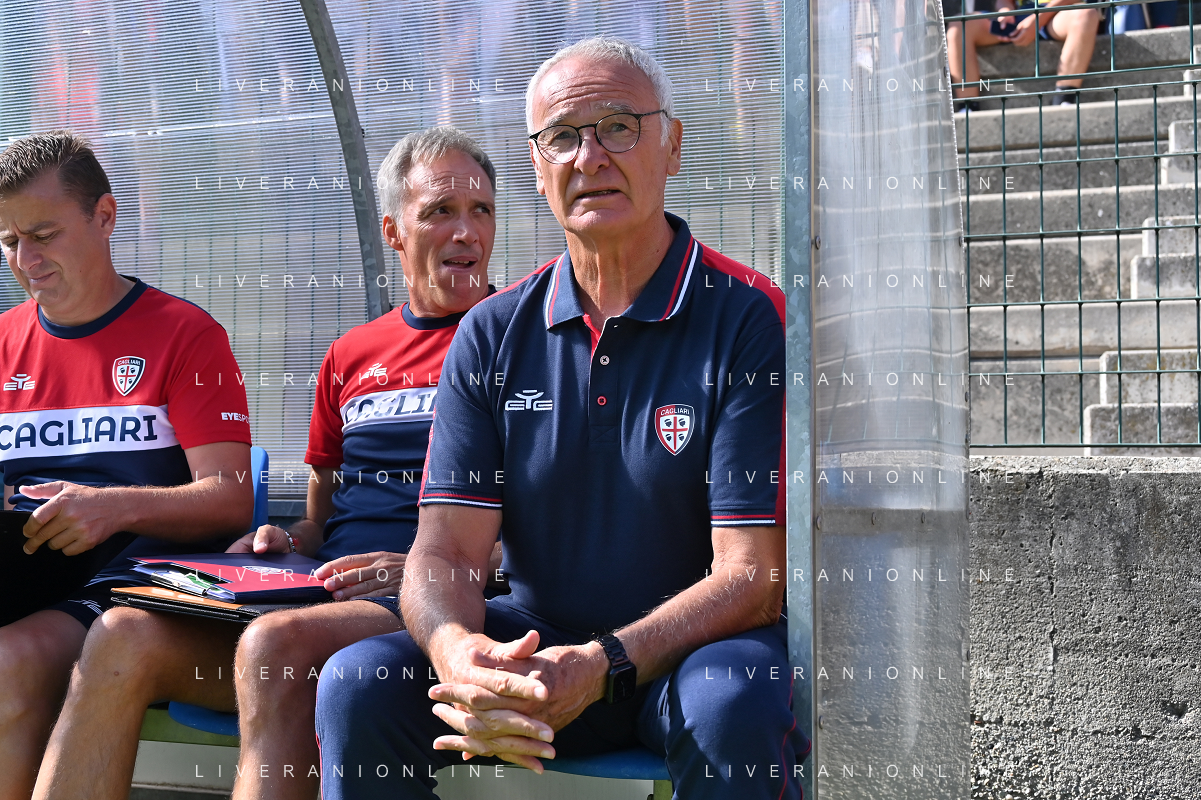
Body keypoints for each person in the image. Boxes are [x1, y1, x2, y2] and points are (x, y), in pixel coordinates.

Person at [314, 36, 810, 800]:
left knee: (732, 701)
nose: (589, 157)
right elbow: (444, 551)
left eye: (617, 126)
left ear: (672, 146)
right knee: (358, 682)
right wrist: (456, 653)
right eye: (562, 137)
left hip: (687, 659)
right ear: (536, 167)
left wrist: (601, 664)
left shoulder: (746, 315)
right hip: (538, 647)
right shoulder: (491, 330)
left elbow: (752, 576)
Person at [30, 126, 503, 800]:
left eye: (481, 210)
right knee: (118, 634)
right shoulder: (349, 355)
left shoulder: (521, 339)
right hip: (325, 594)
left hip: (438, 602)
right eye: (440, 211)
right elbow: (322, 518)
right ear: (393, 232)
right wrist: (283, 541)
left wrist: (428, 570)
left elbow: (555, 527)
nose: (465, 231)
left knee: (274, 647)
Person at [0, 130, 254, 800]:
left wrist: (110, 507)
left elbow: (230, 498)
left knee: (10, 663)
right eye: (9, 241)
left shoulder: (185, 334)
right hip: (17, 578)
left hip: (124, 588)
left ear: (105, 216)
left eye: (44, 235)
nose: (26, 259)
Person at [946, 0, 1101, 110]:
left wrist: (1039, 18)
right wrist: (1006, 11)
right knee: (959, 26)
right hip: (1022, 14)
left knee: (1086, 15)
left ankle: (1064, 100)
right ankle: (968, 108)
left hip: (1059, 12)